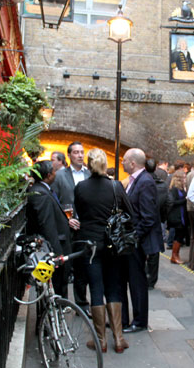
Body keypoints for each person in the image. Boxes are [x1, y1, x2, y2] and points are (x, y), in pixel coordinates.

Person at [74, 148, 131, 353]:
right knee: (114, 288)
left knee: (96, 289)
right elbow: (129, 211)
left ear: (88, 164)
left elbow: (79, 211)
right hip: (113, 244)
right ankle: (118, 338)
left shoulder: (81, 187)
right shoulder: (116, 186)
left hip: (89, 244)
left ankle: (100, 340)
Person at [120, 148, 163, 333]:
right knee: (133, 279)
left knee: (137, 282)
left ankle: (139, 321)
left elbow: (148, 216)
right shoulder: (135, 181)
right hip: (133, 240)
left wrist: (134, 236)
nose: (121, 163)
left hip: (138, 242)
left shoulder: (145, 182)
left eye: (124, 160)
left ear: (132, 163)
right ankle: (132, 318)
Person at [51, 142, 92, 317]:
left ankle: (82, 304)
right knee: (65, 266)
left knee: (82, 267)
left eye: (82, 152)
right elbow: (54, 200)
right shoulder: (60, 176)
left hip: (85, 227)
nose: (80, 155)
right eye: (76, 152)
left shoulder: (89, 174)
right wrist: (66, 220)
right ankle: (62, 302)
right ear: (69, 155)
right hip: (67, 228)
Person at [25, 160, 72, 298]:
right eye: (53, 171)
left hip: (56, 244)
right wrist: (56, 254)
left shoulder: (42, 190)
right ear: (49, 175)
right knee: (58, 284)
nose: (55, 174)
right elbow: (47, 224)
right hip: (54, 247)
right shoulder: (42, 194)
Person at [144, 158, 168, 289]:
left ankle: (143, 276)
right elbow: (167, 203)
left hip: (144, 220)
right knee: (154, 251)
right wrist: (163, 218)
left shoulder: (142, 182)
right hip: (157, 221)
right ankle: (152, 279)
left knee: (142, 250)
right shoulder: (163, 185)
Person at [167, 170, 188, 264]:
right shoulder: (174, 189)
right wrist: (185, 200)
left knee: (180, 235)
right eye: (184, 177)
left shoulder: (181, 188)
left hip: (181, 214)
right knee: (179, 235)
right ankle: (174, 256)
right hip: (177, 215)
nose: (185, 179)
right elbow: (173, 202)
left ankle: (176, 255)